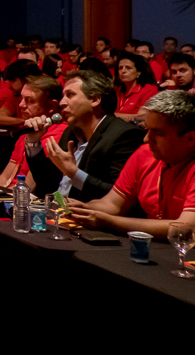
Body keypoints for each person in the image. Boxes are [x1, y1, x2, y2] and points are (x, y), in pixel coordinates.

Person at [66, 90, 195, 237]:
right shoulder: (144, 154)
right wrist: (83, 208)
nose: (147, 139)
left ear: (190, 139)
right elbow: (113, 204)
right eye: (147, 129)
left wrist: (110, 222)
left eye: (158, 133)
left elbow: (186, 228)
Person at [22, 70, 144, 199]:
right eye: (63, 95)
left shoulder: (124, 135)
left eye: (70, 95)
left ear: (95, 99)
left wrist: (73, 173)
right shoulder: (71, 132)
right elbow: (48, 183)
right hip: (58, 212)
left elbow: (117, 196)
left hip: (89, 216)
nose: (62, 102)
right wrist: (34, 141)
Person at [0, 60, 43, 127]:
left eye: (13, 80)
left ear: (26, 80)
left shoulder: (43, 95)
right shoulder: (15, 94)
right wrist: (26, 121)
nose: (9, 85)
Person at [115, 51, 159, 117]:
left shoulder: (149, 90)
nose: (123, 71)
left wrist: (113, 116)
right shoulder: (118, 89)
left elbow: (143, 117)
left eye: (128, 68)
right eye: (120, 68)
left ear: (139, 72)